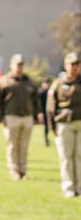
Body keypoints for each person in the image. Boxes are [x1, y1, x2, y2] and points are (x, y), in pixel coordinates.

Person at [0, 53, 39, 180]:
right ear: (11, 65)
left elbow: (36, 101)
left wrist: (36, 116)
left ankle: (23, 171)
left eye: (21, 65)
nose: (20, 67)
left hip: (27, 116)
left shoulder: (30, 82)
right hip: (11, 117)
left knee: (24, 146)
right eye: (17, 65)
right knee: (12, 145)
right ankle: (14, 170)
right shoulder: (4, 81)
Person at [46, 52, 81, 197]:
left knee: (79, 155)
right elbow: (50, 106)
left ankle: (79, 187)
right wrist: (51, 126)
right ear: (66, 66)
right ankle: (69, 188)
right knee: (66, 156)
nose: (75, 67)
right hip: (64, 123)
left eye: (77, 64)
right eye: (72, 64)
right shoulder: (58, 83)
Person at [39, 76, 52, 146]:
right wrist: (40, 112)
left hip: (51, 111)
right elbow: (39, 104)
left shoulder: (51, 92)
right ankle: (46, 139)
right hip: (44, 111)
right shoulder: (41, 93)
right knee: (46, 126)